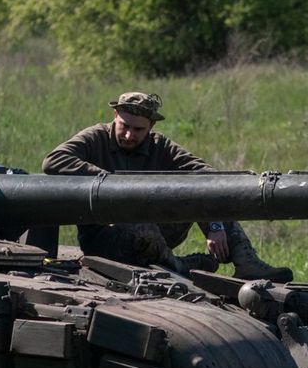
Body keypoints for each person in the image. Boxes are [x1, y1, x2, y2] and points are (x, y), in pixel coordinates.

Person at [43, 92, 292, 282]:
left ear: (151, 127)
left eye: (138, 129)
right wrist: (108, 183)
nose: (129, 135)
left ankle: (246, 262)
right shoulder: (95, 137)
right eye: (124, 126)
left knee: (197, 195)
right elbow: (54, 160)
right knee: (138, 223)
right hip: (105, 239)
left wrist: (215, 223)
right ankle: (178, 266)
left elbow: (208, 177)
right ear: (114, 118)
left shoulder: (160, 146)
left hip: (156, 233)